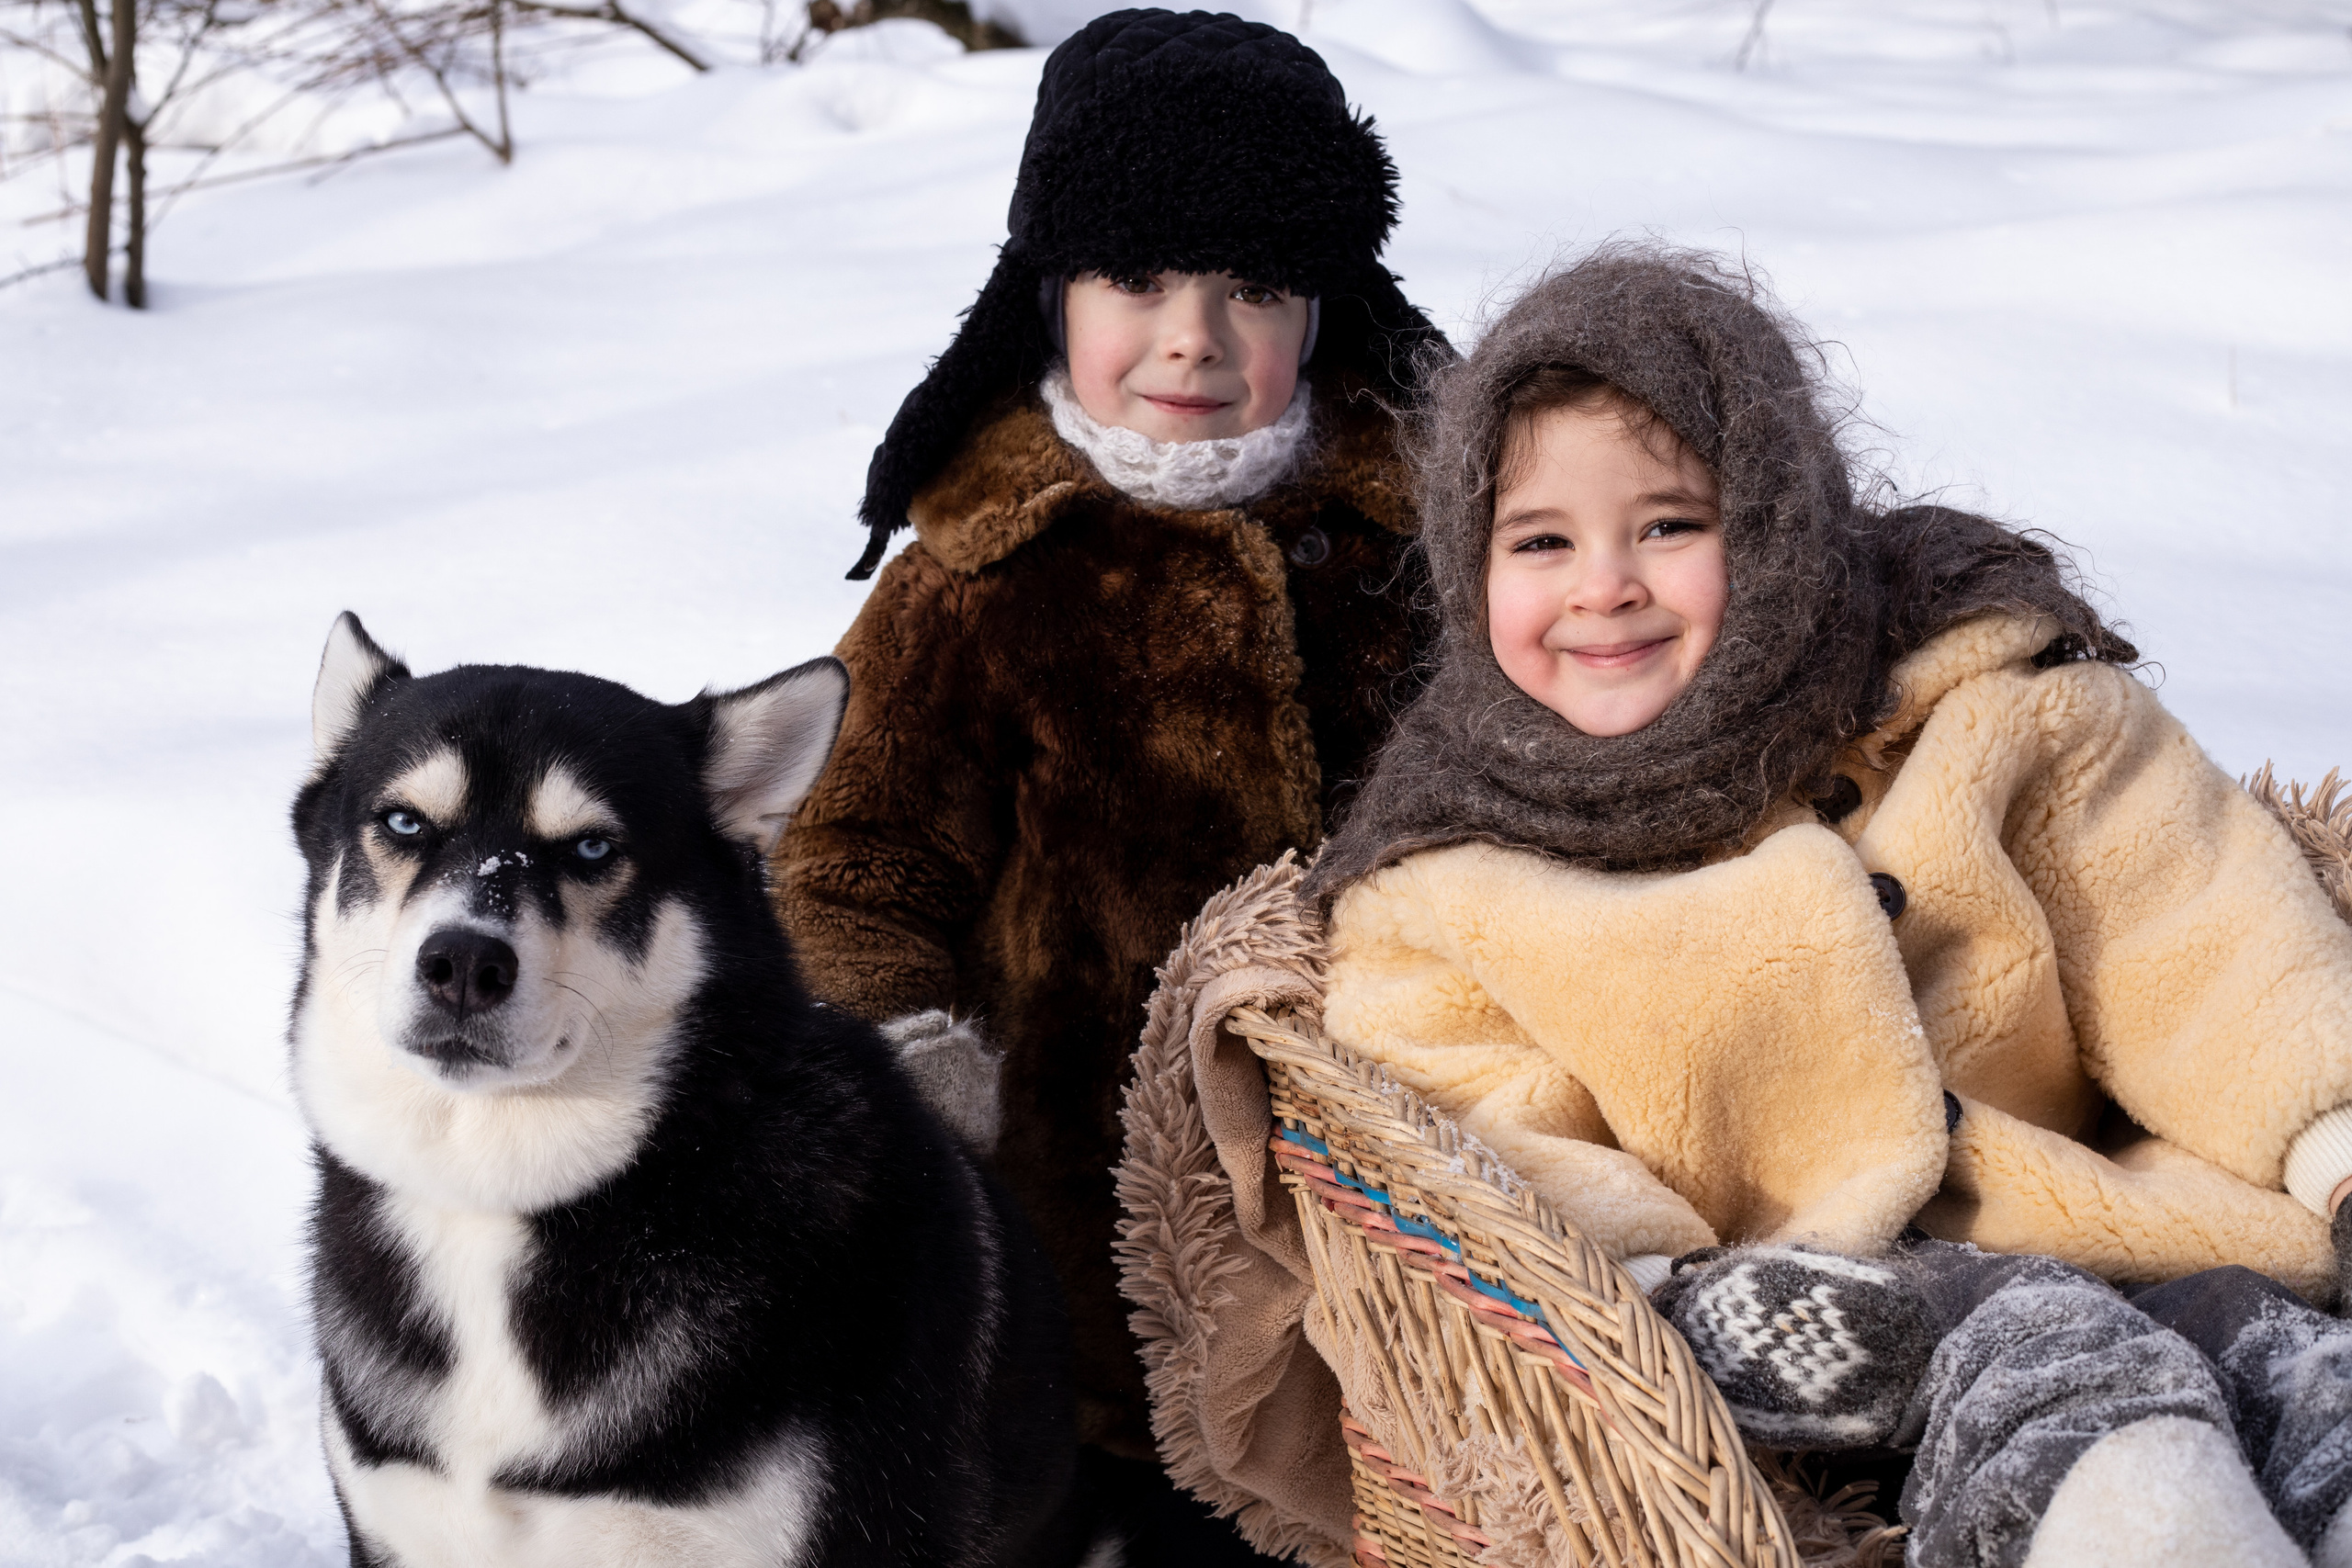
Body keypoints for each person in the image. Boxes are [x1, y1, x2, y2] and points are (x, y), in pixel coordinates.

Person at [1302, 243, 2352, 1567]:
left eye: (1670, 525)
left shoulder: (1986, 706)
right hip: (1799, 1334)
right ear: (1469, 565)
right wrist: (1651, 1295)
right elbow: (1476, 1115)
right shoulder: (1447, 869)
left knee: (2296, 1365)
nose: (1604, 584)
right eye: (1541, 542)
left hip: (2117, 1215)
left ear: (1777, 525)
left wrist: (2329, 1148)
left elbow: (2194, 934)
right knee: (2061, 1368)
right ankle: (2141, 1523)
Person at [773, 10, 1448, 1558]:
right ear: (1050, 292)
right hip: (1077, 1261)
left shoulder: (1426, 545)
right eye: (1136, 280)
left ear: (1328, 305)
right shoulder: (981, 575)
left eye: (1256, 287)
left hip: (1396, 1238)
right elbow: (849, 853)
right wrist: (901, 1050)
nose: (1193, 336)